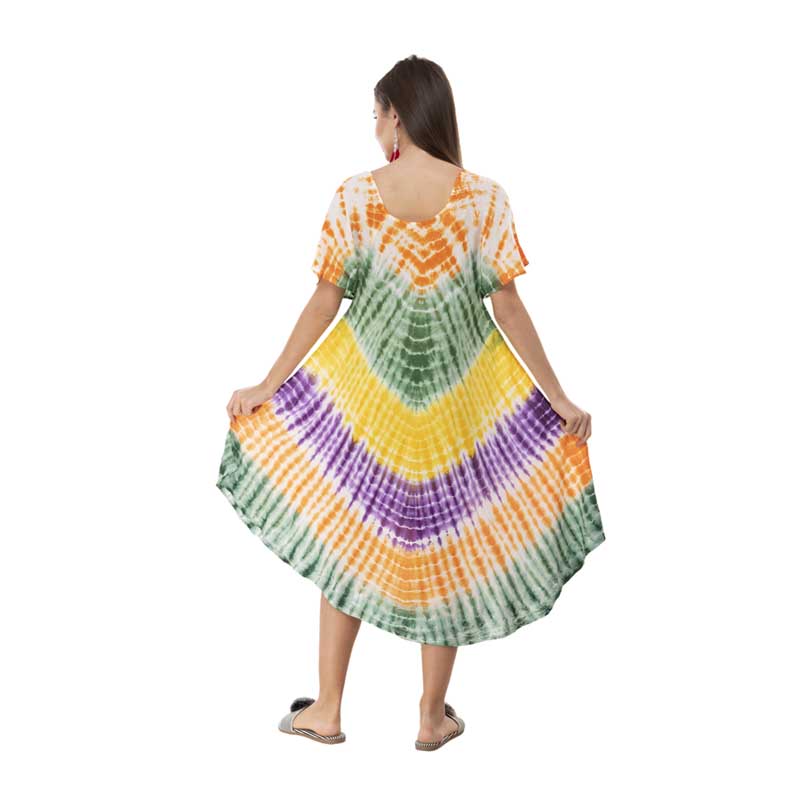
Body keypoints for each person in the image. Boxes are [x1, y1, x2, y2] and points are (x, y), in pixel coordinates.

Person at [216, 55, 605, 751]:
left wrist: (267, 386)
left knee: (345, 543)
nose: (375, 127)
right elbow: (508, 307)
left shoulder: (356, 197)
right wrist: (558, 397)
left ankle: (327, 711)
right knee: (446, 549)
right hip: (458, 411)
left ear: (396, 114)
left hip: (368, 410)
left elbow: (326, 301)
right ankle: (430, 718)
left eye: (376, 114)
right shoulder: (484, 199)